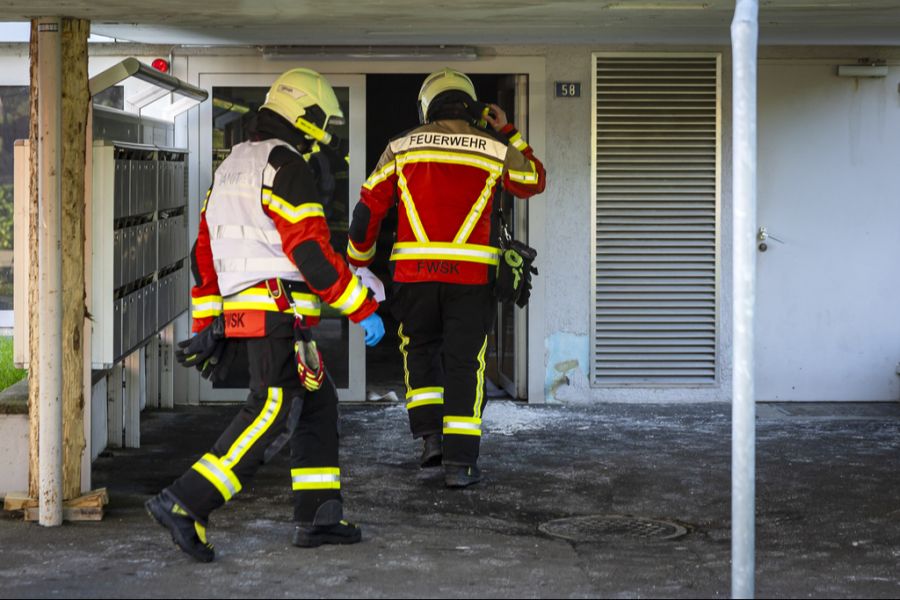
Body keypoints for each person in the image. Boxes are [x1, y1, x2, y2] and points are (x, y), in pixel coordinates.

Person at [145, 68, 385, 562]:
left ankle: (319, 516)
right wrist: (361, 308)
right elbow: (312, 257)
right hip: (278, 313)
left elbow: (203, 252)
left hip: (255, 312)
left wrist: (208, 322)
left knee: (317, 404)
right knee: (271, 408)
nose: (322, 137)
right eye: (320, 125)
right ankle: (187, 502)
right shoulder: (287, 165)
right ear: (305, 116)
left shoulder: (234, 163)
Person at [345, 68, 546, 488]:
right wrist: (508, 130)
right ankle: (461, 463)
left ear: (427, 104)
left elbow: (368, 208)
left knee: (419, 351)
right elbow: (533, 180)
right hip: (471, 279)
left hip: (414, 276)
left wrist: (359, 260)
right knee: (464, 363)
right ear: (470, 104)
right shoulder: (492, 146)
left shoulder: (400, 146)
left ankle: (430, 440)